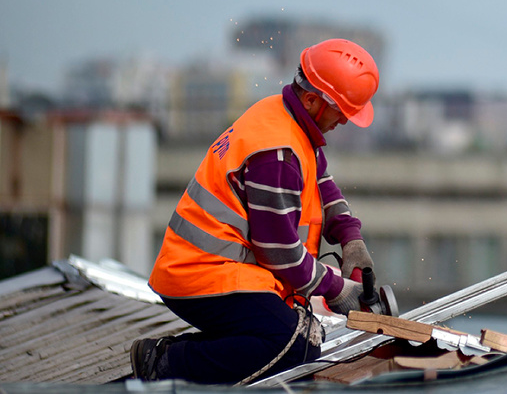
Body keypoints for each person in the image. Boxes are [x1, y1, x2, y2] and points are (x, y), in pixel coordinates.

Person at [131, 39, 381, 383]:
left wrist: (351, 239)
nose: (345, 121)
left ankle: (174, 356)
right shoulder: (276, 154)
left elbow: (322, 182)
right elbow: (280, 253)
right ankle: (166, 365)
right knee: (295, 344)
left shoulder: (283, 116)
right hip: (201, 275)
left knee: (289, 336)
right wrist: (336, 288)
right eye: (342, 111)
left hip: (221, 269)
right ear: (312, 100)